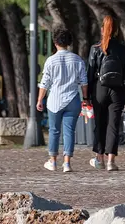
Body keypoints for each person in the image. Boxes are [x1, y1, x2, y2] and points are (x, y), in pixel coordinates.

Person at [36, 27, 87, 173]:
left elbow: (44, 82)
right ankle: (67, 163)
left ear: (55, 42)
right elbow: (84, 82)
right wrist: (85, 98)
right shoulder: (77, 60)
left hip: (55, 100)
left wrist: (40, 99)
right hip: (73, 99)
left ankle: (52, 161)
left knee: (54, 130)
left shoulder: (51, 61)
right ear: (69, 42)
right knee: (69, 131)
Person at [87, 15, 125, 171]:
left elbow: (90, 72)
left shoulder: (96, 49)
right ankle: (111, 161)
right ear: (117, 30)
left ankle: (99, 157)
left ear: (102, 29)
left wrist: (87, 96)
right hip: (118, 89)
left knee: (100, 123)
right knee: (114, 124)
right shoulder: (123, 49)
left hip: (100, 88)